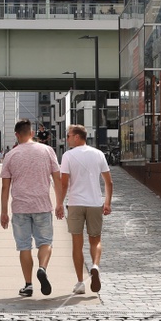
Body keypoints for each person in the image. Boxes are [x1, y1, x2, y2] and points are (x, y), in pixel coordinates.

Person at [0, 117, 60, 298]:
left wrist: (4, 212)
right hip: (42, 205)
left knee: (24, 247)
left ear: (17, 135)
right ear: (32, 133)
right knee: (45, 242)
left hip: (20, 207)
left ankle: (28, 285)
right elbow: (57, 180)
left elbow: (5, 187)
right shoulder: (47, 151)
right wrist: (59, 203)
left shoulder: (11, 155)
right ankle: (42, 268)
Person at [59, 124, 113, 295]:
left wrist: (59, 202)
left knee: (77, 243)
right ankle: (95, 266)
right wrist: (107, 203)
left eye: (68, 136)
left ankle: (80, 283)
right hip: (95, 203)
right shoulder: (98, 154)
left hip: (75, 203)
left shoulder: (68, 155)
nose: (66, 139)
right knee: (95, 240)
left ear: (76, 136)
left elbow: (64, 183)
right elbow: (108, 181)